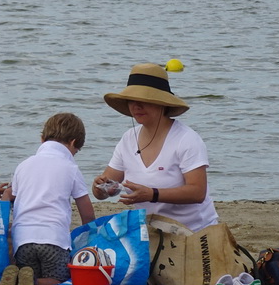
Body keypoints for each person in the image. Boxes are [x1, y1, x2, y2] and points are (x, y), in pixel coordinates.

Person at [93, 63, 219, 232]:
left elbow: (197, 192)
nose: (136, 106)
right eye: (132, 100)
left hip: (194, 231)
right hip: (150, 231)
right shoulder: (128, 139)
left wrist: (152, 194)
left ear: (162, 103)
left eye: (144, 101)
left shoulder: (186, 139)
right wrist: (100, 187)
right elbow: (105, 187)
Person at [0, 112, 96, 285]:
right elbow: (87, 212)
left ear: (42, 139)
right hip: (54, 241)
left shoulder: (23, 165)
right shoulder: (71, 168)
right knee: (60, 279)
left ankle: (19, 279)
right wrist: (92, 240)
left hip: (23, 242)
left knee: (29, 270)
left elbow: (10, 197)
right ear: (73, 143)